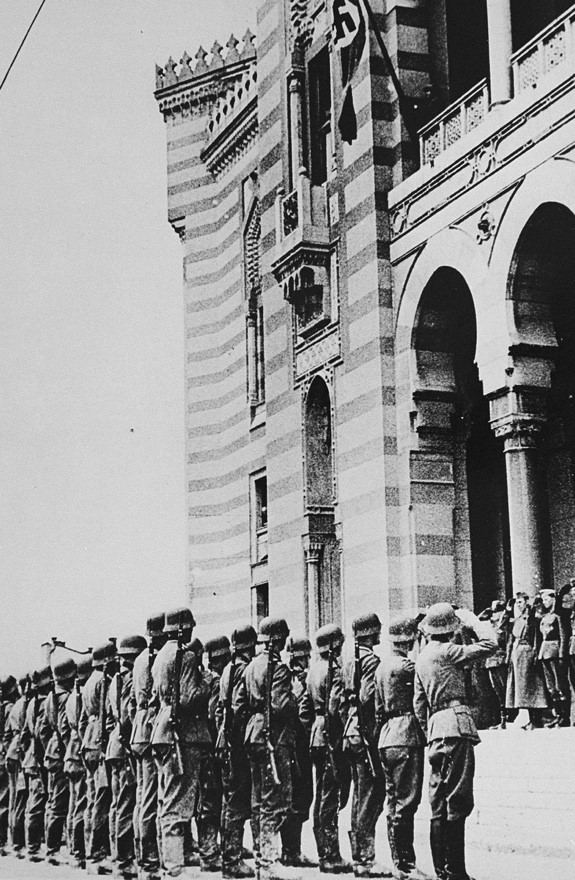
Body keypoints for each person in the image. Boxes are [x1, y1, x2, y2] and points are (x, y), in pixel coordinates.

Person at [414, 603, 497, 880]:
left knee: (438, 803)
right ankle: (456, 872)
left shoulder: (422, 656)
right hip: (456, 726)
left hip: (436, 728)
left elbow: (418, 703)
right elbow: (491, 644)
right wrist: (472, 620)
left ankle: (442, 871)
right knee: (457, 801)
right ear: (450, 628)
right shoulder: (448, 651)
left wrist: (432, 727)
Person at [235, 616, 300, 880]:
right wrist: (294, 695)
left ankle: (262, 858)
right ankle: (268, 861)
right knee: (276, 799)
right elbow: (281, 705)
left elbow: (240, 704)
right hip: (275, 736)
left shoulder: (250, 666)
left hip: (254, 733)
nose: (285, 642)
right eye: (282, 637)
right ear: (276, 639)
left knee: (258, 800)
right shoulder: (278, 669)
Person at [151, 606, 210, 879]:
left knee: (167, 798)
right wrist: (207, 682)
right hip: (183, 735)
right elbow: (189, 698)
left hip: (163, 731)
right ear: (182, 629)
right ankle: (173, 867)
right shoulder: (184, 656)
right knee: (178, 801)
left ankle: (170, 862)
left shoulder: (160, 657)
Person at [375, 617, 429, 880]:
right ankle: (406, 866)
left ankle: (400, 863)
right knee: (407, 803)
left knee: (394, 802)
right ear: (409, 639)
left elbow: (376, 707)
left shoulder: (382, 667)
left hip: (387, 736)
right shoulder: (408, 666)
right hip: (406, 736)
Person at [343, 613, 390, 878]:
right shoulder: (370, 660)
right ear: (370, 634)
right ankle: (365, 859)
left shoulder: (349, 660)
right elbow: (367, 696)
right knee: (371, 796)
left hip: (351, 732)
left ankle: (359, 857)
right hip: (364, 733)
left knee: (360, 795)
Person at [307, 623, 352, 874]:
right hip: (330, 736)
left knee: (323, 795)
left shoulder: (314, 669)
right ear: (335, 646)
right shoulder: (335, 669)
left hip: (317, 733)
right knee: (330, 797)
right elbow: (336, 708)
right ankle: (330, 855)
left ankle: (325, 852)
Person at [217, 624, 257, 879]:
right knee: (238, 800)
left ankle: (230, 855)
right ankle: (231, 861)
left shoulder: (228, 669)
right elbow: (240, 708)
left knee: (231, 798)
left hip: (227, 739)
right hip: (238, 742)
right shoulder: (244, 670)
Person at [107, 635, 146, 878]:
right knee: (125, 803)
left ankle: (119, 857)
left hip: (116, 746)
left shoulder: (115, 680)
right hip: (124, 747)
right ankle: (123, 861)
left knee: (119, 803)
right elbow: (127, 715)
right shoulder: (128, 679)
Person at [131, 613, 166, 880]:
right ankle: (149, 859)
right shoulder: (153, 657)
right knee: (150, 797)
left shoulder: (140, 658)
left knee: (143, 795)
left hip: (140, 729)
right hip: (151, 727)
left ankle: (143, 855)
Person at [82, 639, 117, 874]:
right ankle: (97, 854)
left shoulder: (88, 682)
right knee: (103, 800)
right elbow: (107, 715)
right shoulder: (104, 681)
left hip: (89, 740)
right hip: (99, 742)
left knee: (93, 798)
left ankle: (90, 853)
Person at [282, 637, 316, 868]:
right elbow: (302, 717)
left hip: (295, 746)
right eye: (305, 657)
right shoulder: (295, 681)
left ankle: (291, 850)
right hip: (297, 746)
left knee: (299, 796)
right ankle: (291, 851)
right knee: (299, 797)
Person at [42, 657, 76, 865]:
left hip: (53, 753)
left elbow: (43, 729)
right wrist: (67, 751)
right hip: (61, 754)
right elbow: (64, 729)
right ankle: (53, 850)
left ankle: (51, 848)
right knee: (61, 803)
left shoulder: (50, 697)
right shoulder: (65, 698)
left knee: (54, 802)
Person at [22, 665, 53, 862]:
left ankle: (32, 846)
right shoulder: (41, 703)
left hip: (32, 758)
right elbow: (42, 733)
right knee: (38, 803)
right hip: (39, 758)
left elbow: (26, 734)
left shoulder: (32, 702)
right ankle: (34, 848)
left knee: (34, 803)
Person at [64, 654, 93, 869]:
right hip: (80, 753)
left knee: (75, 804)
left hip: (70, 754)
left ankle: (75, 849)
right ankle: (79, 851)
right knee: (82, 804)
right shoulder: (81, 696)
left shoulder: (71, 696)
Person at [505, 593, 548, 728]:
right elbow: (505, 629)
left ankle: (537, 719)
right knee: (522, 689)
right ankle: (531, 719)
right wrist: (507, 611)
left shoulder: (531, 617)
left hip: (528, 652)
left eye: (520, 602)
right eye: (516, 603)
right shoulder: (517, 619)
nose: (518, 605)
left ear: (526, 602)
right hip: (517, 654)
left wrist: (535, 652)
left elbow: (536, 636)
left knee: (532, 686)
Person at [5, 673, 31, 858]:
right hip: (21, 754)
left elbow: (7, 735)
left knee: (14, 799)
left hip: (13, 753)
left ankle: (14, 841)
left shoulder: (14, 707)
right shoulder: (21, 705)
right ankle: (17, 842)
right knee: (20, 799)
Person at [536, 589, 570, 726]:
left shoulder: (557, 616)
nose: (544, 602)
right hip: (545, 652)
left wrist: (562, 654)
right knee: (551, 687)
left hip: (555, 651)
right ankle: (559, 714)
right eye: (543, 600)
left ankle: (565, 716)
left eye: (546, 599)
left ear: (553, 599)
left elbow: (563, 635)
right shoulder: (544, 617)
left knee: (559, 684)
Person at [0, 675, 18, 857]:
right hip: (1, 756)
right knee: (4, 799)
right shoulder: (9, 708)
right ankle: (1, 841)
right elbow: (7, 735)